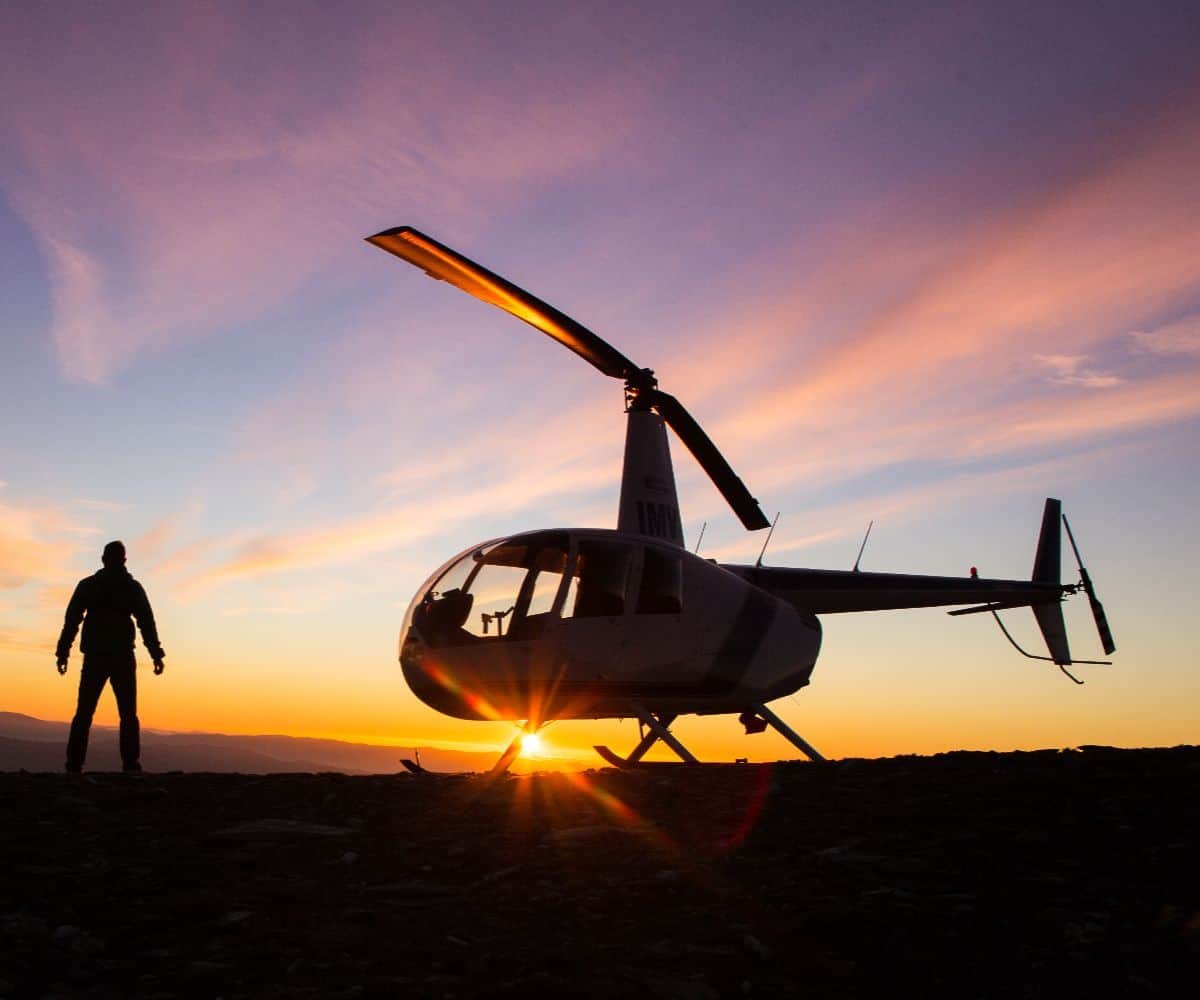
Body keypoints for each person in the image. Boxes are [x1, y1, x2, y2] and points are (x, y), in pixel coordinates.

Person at [55, 540, 165, 774]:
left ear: (103, 559)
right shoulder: (131, 588)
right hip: (122, 656)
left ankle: (74, 765)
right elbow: (146, 621)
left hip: (96, 656)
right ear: (123, 560)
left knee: (85, 712)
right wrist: (155, 653)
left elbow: (72, 620)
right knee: (127, 714)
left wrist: (63, 651)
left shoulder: (89, 586)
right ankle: (130, 764)